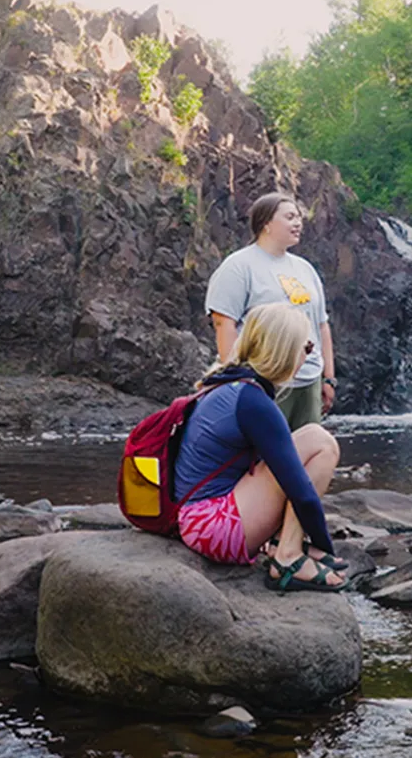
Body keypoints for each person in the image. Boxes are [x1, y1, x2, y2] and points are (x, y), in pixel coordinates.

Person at [171, 303, 346, 592]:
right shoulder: (253, 402)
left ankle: (282, 543)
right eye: (307, 346)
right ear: (284, 349)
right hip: (212, 528)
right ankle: (288, 557)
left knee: (315, 436)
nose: (311, 354)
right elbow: (300, 491)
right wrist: (324, 546)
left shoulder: (229, 384)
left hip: (196, 518)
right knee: (321, 444)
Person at [206, 192, 336, 428]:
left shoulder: (305, 269)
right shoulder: (239, 266)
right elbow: (223, 323)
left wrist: (328, 378)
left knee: (306, 450)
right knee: (263, 454)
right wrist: (235, 379)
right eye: (289, 217)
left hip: (308, 380)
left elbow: (321, 325)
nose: (298, 223)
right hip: (263, 379)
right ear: (266, 224)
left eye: (299, 217)